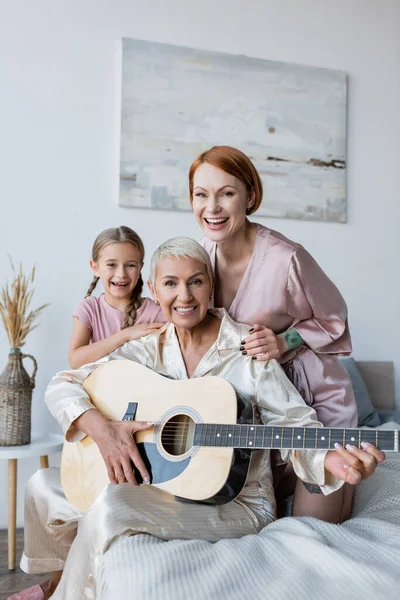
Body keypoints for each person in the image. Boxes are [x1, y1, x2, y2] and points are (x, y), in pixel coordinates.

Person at [10, 238, 384, 600]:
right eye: (171, 283)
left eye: (196, 282)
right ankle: (50, 582)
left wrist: (330, 460)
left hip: (236, 503)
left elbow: (295, 426)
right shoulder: (147, 347)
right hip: (161, 486)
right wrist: (102, 430)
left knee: (111, 504)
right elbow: (62, 383)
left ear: (210, 288)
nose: (184, 296)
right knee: (42, 482)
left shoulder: (246, 350)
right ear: (155, 291)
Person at [189, 146, 358, 522]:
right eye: (202, 194)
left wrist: (285, 341)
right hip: (253, 409)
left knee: (317, 527)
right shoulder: (198, 257)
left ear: (250, 196)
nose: (212, 207)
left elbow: (335, 319)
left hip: (315, 404)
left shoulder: (286, 258)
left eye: (226, 193)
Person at [68, 225, 165, 369]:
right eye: (112, 264)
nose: (121, 274)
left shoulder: (156, 312)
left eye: (130, 265)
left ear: (140, 268)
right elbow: (75, 361)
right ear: (95, 268)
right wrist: (125, 335)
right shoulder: (89, 308)